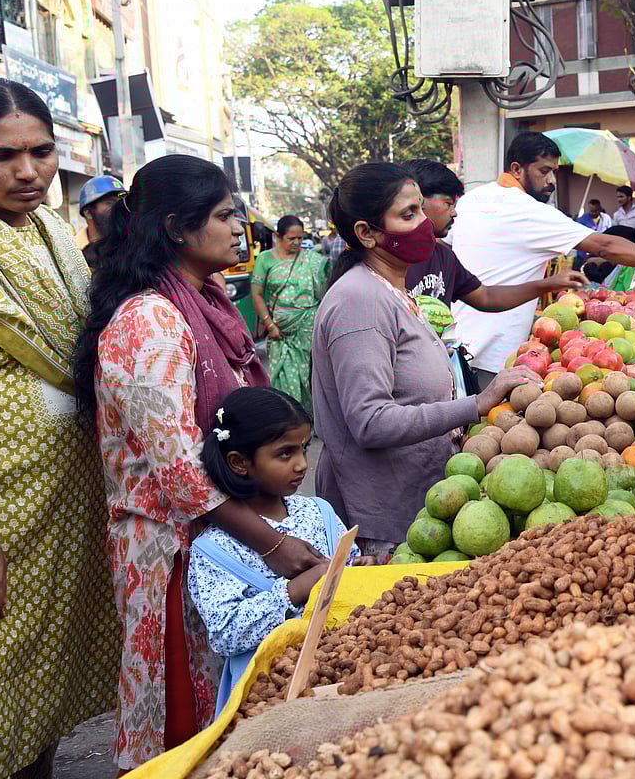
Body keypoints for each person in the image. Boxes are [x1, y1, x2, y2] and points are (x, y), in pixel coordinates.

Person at [72, 154, 327, 770]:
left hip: (220, 535)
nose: (240, 227)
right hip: (170, 549)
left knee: (230, 698)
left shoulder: (207, 299)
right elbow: (179, 469)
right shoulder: (149, 319)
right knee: (176, 716)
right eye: (222, 215)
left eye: (236, 212)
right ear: (174, 228)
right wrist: (273, 543)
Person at [0, 76, 119, 779]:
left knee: (47, 684)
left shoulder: (57, 232)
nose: (28, 172)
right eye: (2, 155)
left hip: (68, 503)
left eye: (42, 152)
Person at [312, 162, 540, 558]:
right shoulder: (359, 301)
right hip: (384, 518)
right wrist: (476, 404)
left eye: (421, 208)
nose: (424, 223)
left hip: (419, 502)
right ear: (366, 234)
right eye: (408, 214)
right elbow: (370, 421)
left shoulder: (393, 289)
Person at [450, 132, 635, 386]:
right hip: (493, 355)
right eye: (544, 171)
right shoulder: (529, 210)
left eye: (554, 171)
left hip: (458, 344)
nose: (552, 181)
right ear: (517, 169)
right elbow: (605, 245)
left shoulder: (471, 199)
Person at [189, 386, 360, 716]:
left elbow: (347, 570)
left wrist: (360, 567)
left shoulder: (319, 512)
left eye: (304, 449)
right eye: (285, 454)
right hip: (266, 696)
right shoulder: (214, 549)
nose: (302, 465)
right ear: (239, 462)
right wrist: (297, 588)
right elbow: (226, 633)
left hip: (339, 674)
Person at [401, 158, 587, 308]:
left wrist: (550, 284)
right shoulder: (386, 263)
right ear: (417, 200)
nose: (454, 212)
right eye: (448, 204)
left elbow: (487, 297)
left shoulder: (443, 258)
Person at [251, 214, 327, 416]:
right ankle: (291, 420)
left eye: (300, 238)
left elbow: (322, 294)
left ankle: (314, 419)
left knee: (312, 377)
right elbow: (257, 294)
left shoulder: (313, 261)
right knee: (284, 378)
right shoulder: (265, 259)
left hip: (308, 329)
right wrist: (269, 325)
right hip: (280, 333)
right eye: (291, 238)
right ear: (278, 236)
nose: (296, 243)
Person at [77, 174, 126, 265]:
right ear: (88, 212)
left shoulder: (133, 245)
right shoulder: (72, 251)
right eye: (110, 203)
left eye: (121, 202)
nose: (119, 208)